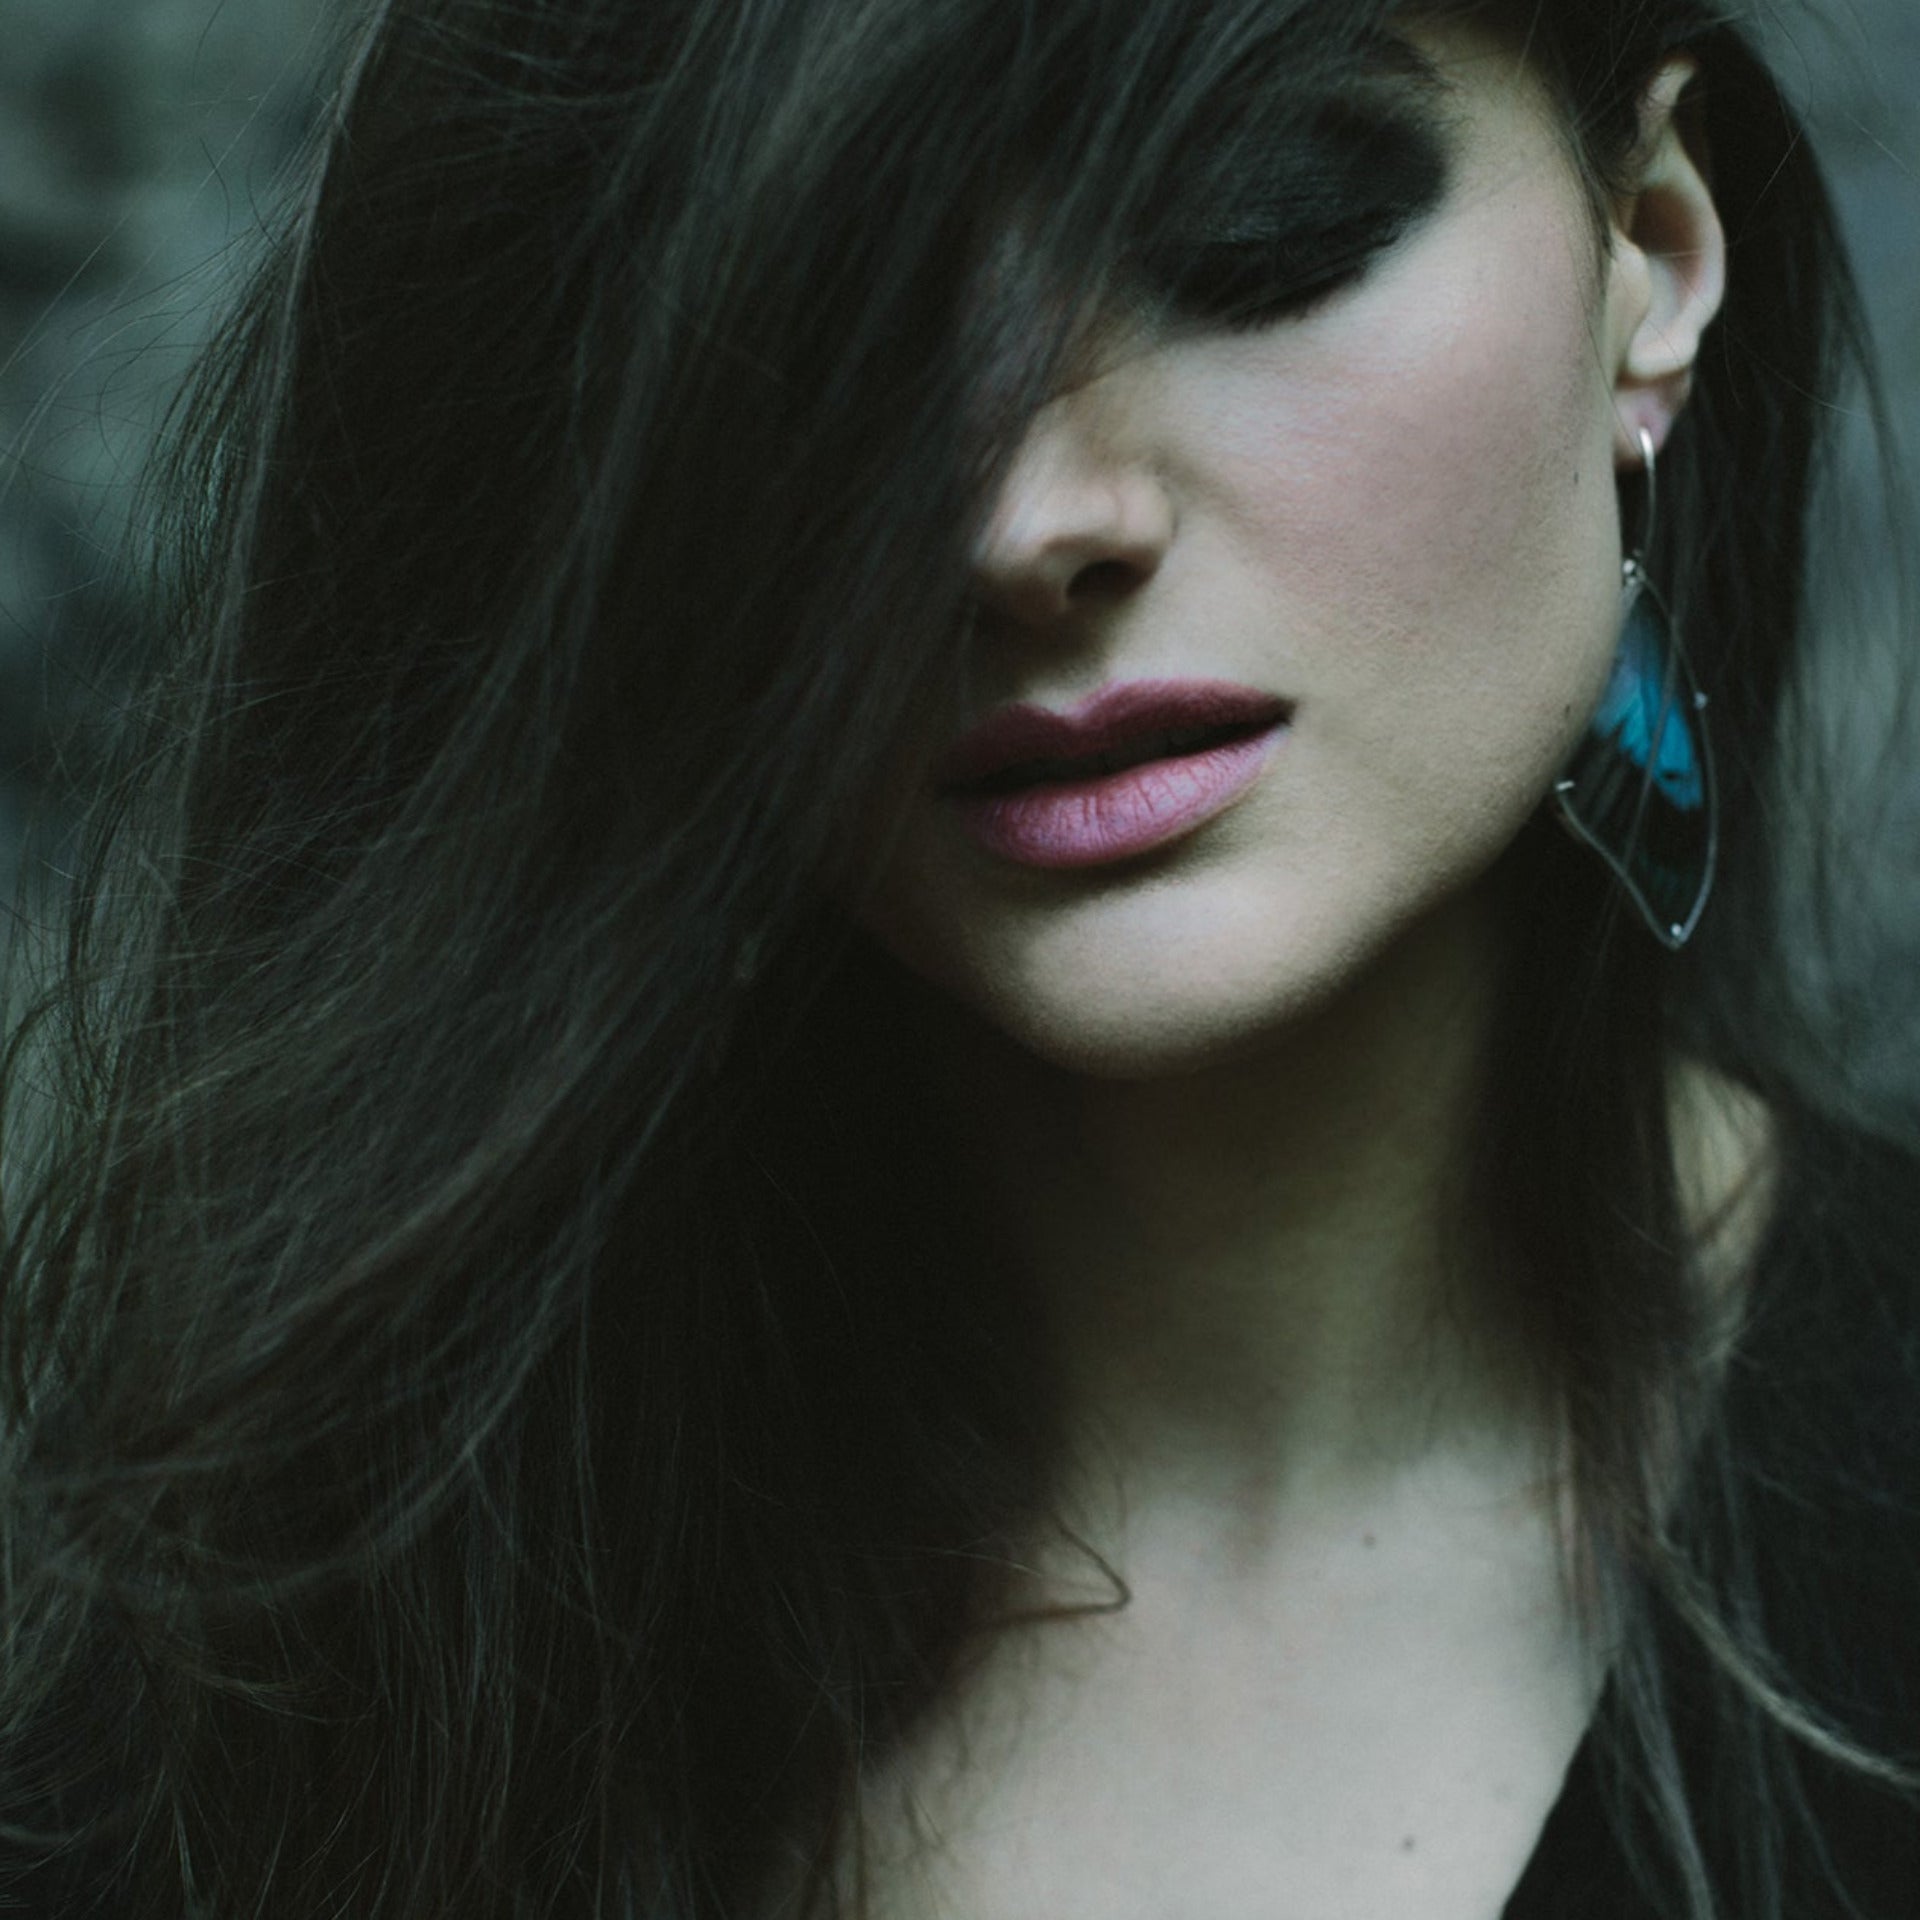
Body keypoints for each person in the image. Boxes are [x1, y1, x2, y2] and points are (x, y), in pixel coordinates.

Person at [0, 0, 1914, 1913]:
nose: (1026, 522)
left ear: (1650, 251)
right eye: (822, 321)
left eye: (1257, 226)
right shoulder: (274, 1640)